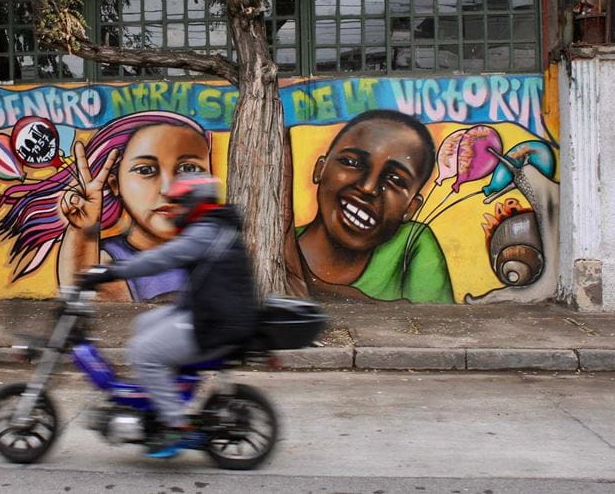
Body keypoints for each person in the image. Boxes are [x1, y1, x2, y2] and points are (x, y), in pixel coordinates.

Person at [79, 174, 258, 459]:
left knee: (143, 351)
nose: (175, 210)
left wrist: (112, 271)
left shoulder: (205, 232)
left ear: (195, 202)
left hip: (214, 324)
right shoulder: (211, 228)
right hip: (212, 314)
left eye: (179, 203)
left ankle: (175, 426)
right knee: (144, 323)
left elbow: (161, 258)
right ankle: (162, 396)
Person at [0, 111, 212, 301]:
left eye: (188, 168)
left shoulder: (214, 245)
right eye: (146, 170)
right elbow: (88, 300)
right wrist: (82, 232)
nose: (168, 189)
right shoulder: (112, 258)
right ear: (114, 184)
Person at [295, 109, 453, 303]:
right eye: (351, 162)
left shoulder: (412, 242)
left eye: (395, 180)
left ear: (411, 208)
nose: (368, 187)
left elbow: (430, 316)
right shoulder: (277, 242)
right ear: (320, 169)